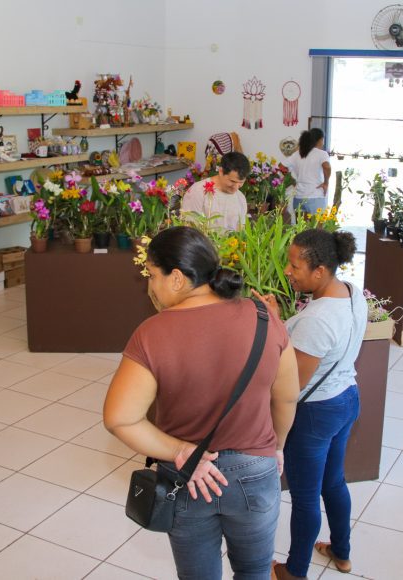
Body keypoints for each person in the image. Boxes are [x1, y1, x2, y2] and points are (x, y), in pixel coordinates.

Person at [104, 226, 300, 579]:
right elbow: (286, 397)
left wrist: (182, 452)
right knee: (255, 570)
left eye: (152, 274)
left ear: (176, 278)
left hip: (187, 478)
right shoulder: (263, 317)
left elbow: (120, 419)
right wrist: (278, 447)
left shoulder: (152, 333)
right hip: (255, 471)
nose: (150, 285)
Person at [252, 228, 368, 580]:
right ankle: (341, 553)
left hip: (316, 413)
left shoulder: (317, 320)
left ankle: (294, 571)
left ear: (319, 271)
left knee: (305, 497)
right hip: (347, 398)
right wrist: (279, 319)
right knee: (333, 482)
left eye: (294, 265)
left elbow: (293, 386)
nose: (287, 271)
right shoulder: (349, 291)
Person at [180, 151, 250, 231]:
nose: (236, 188)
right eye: (232, 181)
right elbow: (188, 229)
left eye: (241, 182)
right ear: (221, 171)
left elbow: (240, 230)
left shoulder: (240, 198)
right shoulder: (198, 191)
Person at [282, 128, 331, 216]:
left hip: (299, 196)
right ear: (320, 140)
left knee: (301, 229)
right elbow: (327, 167)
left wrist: (291, 180)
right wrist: (326, 183)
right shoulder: (322, 154)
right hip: (315, 196)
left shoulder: (297, 154)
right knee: (317, 229)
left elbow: (280, 167)